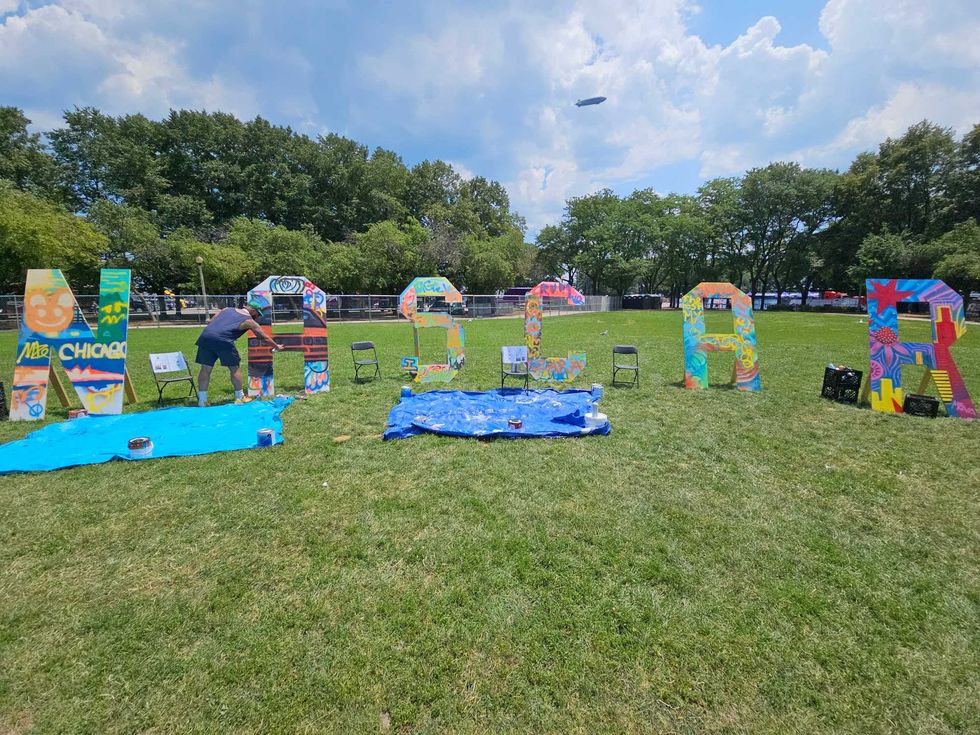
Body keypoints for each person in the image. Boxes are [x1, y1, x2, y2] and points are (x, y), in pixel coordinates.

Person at [195, 299, 283, 406]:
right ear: (253, 311)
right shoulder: (249, 321)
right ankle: (240, 397)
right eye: (257, 314)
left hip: (205, 337)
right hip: (223, 340)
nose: (257, 317)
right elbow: (264, 337)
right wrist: (276, 346)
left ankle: (202, 401)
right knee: (234, 368)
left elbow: (212, 321)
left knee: (205, 368)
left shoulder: (226, 309)